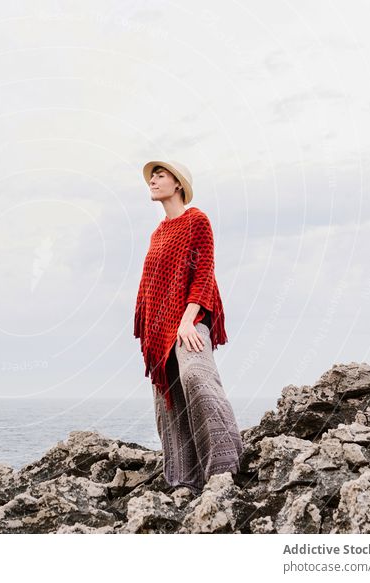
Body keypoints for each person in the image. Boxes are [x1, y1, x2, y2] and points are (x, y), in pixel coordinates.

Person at [133, 160, 243, 495]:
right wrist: (151, 325)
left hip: (193, 319)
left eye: (160, 175)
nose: (153, 179)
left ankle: (226, 460)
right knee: (170, 398)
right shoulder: (158, 232)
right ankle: (185, 478)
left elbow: (204, 271)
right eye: (152, 176)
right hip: (161, 330)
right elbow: (151, 284)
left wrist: (186, 320)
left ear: (178, 184)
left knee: (196, 374)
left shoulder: (197, 220)